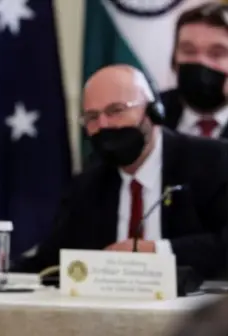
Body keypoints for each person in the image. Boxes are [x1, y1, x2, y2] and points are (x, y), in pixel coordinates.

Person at [13, 64, 228, 280]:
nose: (104, 125)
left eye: (116, 111)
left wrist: (156, 251)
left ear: (153, 112)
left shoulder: (214, 161)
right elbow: (49, 260)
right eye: (92, 117)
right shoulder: (88, 185)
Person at [161, 3, 228, 139]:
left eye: (216, 53)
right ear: (174, 60)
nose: (201, 62)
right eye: (189, 51)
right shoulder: (150, 115)